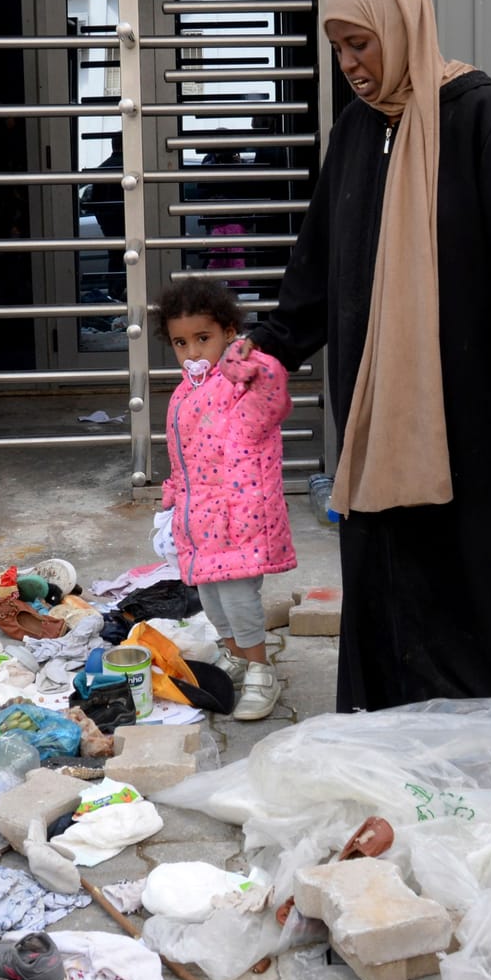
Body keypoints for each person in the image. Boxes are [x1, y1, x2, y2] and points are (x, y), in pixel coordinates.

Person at [240, 0, 491, 713]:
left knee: (471, 549)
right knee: (386, 547)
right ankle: (391, 702)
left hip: (466, 394)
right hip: (376, 390)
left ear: (403, 31)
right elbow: (320, 257)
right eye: (339, 50)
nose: (352, 67)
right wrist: (271, 343)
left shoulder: (480, 117)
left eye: (363, 46)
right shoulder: (354, 129)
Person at [156, 281, 294, 721]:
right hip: (200, 521)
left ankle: (260, 668)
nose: (192, 350)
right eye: (181, 342)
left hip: (241, 521)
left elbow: (275, 397)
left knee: (239, 599)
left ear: (230, 333)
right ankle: (234, 654)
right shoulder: (183, 394)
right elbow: (182, 456)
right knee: (212, 599)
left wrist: (254, 363)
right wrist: (173, 496)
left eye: (203, 338)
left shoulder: (243, 387)